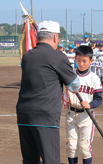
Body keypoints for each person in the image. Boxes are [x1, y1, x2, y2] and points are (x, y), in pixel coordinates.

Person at [16, 20, 80, 164]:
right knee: (50, 160)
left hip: (24, 115)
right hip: (45, 117)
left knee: (30, 160)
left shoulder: (27, 56)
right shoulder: (58, 57)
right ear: (55, 37)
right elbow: (74, 86)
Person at [65, 45, 103, 164]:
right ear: (75, 59)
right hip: (71, 113)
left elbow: (99, 99)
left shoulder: (94, 78)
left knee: (85, 146)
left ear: (91, 61)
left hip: (86, 115)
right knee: (71, 146)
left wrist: (90, 104)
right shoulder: (70, 75)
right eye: (78, 60)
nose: (81, 64)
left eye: (84, 61)